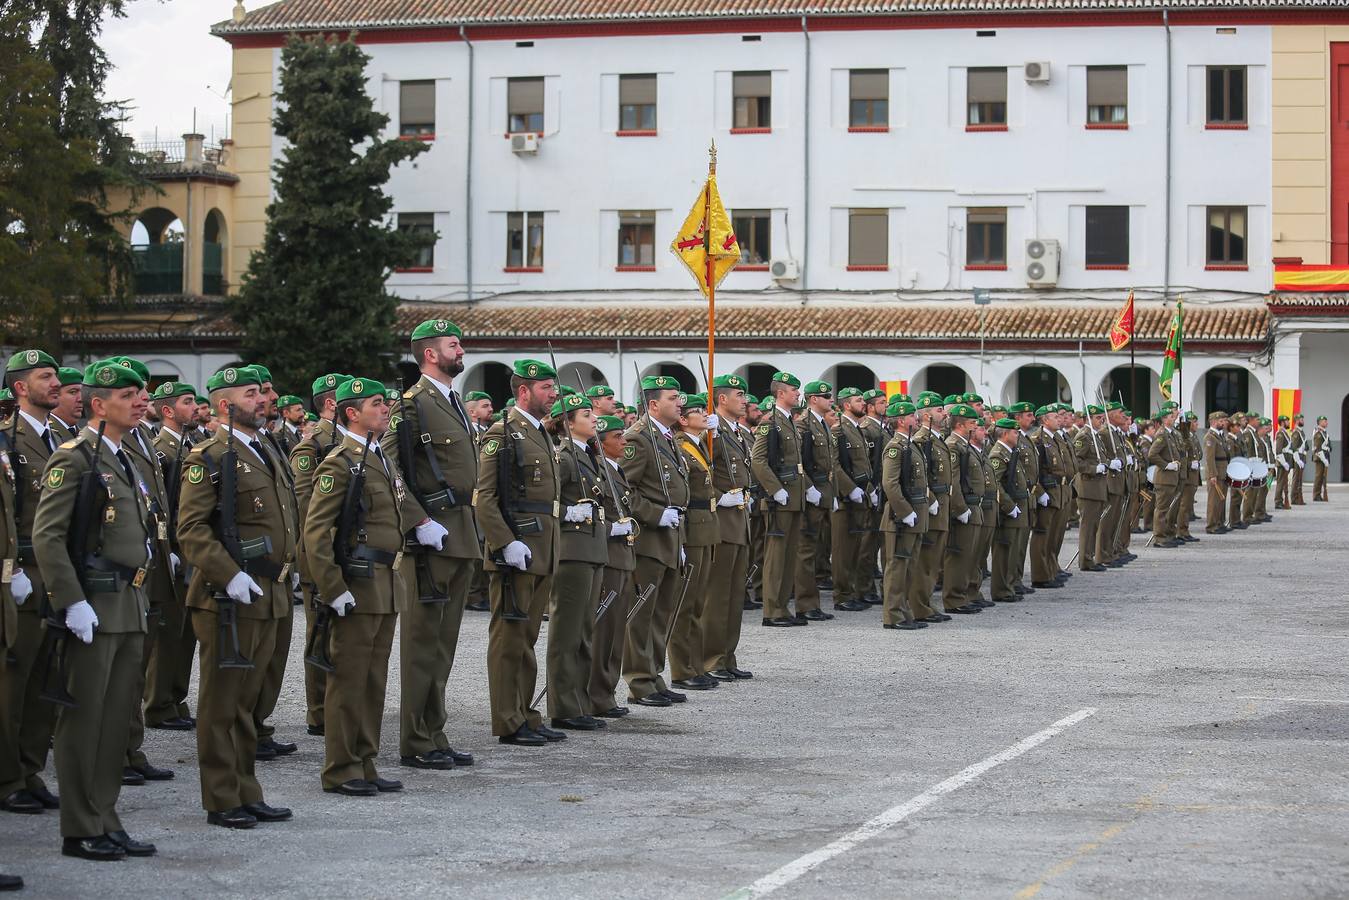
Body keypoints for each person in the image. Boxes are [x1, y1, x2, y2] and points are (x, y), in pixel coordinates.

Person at [32, 361, 156, 860]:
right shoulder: (75, 459)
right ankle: (80, 825)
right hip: (94, 605)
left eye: (141, 393)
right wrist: (72, 602)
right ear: (99, 404)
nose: (139, 401)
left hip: (128, 603)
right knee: (84, 719)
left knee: (113, 721)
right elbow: (48, 536)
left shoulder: (122, 456)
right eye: (128, 394)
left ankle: (105, 815)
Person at [177, 365, 298, 828]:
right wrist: (227, 575)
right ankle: (222, 796)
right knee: (223, 703)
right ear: (226, 404)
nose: (263, 399)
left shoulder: (265, 448)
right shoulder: (208, 456)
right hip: (228, 597)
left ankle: (247, 789)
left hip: (269, 591)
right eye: (251, 394)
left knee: (248, 703)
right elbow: (191, 529)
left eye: (263, 392)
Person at [304, 377, 408, 794]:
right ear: (352, 412)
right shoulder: (339, 462)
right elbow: (316, 533)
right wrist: (332, 587)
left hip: (384, 582)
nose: (386, 409)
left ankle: (365, 761)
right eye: (377, 404)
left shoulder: (379, 456)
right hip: (357, 583)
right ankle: (340, 767)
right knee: (348, 681)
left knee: (373, 681)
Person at [383, 320, 479, 770]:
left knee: (445, 645)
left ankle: (435, 733)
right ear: (430, 355)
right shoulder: (412, 405)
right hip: (431, 537)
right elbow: (390, 467)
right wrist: (415, 520)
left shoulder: (453, 402)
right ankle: (415, 740)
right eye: (452, 344)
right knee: (423, 645)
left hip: (461, 531)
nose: (461, 349)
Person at [474, 360, 564, 745]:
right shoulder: (502, 434)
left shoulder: (539, 433)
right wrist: (504, 541)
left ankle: (525, 712)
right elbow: (485, 498)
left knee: (526, 638)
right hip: (519, 547)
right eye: (546, 387)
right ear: (524, 391)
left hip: (543, 546)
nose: (554, 393)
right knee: (509, 638)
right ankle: (507, 720)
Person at [0, 350, 61, 816]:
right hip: (23, 572)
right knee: (14, 683)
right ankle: (8, 778)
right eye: (45, 376)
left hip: (56, 572)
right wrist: (13, 571)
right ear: (21, 387)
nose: (55, 382)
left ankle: (31, 767)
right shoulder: (10, 438)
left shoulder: (61, 436)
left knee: (45, 679)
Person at [621, 375, 692, 703]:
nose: (680, 403)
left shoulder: (666, 436)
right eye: (673, 397)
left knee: (663, 611)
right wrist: (653, 514)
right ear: (653, 404)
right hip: (649, 538)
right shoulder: (638, 438)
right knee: (643, 613)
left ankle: (653, 674)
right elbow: (623, 490)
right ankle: (638, 680)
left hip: (671, 535)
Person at [545, 392, 611, 728]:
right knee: (566, 634)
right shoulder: (564, 457)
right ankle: (564, 707)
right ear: (568, 422)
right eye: (586, 414)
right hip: (573, 550)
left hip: (592, 549)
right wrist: (568, 513)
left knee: (585, 631)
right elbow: (549, 503)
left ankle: (580, 701)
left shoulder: (588, 455)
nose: (594, 417)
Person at [289, 372, 347, 737]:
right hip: (320, 552)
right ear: (331, 404)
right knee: (321, 630)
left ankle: (338, 703)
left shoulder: (346, 441)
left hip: (346, 551)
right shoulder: (313, 445)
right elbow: (308, 507)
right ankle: (319, 710)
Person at [145, 381, 201, 732]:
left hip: (190, 549)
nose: (195, 407)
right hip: (173, 551)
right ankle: (157, 703)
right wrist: (168, 550)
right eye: (187, 402)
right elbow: (159, 505)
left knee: (185, 632)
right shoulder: (160, 450)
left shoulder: (191, 444)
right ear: (168, 411)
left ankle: (176, 697)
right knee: (167, 634)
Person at [587, 415, 637, 718]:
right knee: (603, 631)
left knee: (616, 630)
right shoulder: (600, 472)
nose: (624, 441)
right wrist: (610, 530)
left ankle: (606, 692)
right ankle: (597, 694)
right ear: (601, 442)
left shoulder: (616, 470)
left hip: (624, 555)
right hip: (608, 555)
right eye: (617, 436)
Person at [702, 375, 752, 679]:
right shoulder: (713, 430)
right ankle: (711, 660)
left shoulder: (735, 431)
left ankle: (726, 657)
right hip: (722, 522)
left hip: (739, 521)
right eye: (738, 394)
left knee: (734, 597)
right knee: (717, 597)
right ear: (722, 399)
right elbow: (699, 472)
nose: (744, 399)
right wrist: (720, 499)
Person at [751, 373, 806, 628]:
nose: (798, 393)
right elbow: (758, 460)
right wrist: (774, 489)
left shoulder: (789, 422)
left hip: (793, 498)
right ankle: (772, 610)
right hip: (779, 500)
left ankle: (782, 607)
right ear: (781, 393)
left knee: (789, 556)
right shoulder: (769, 422)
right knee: (776, 557)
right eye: (794, 390)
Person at [879, 401, 928, 630]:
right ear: (901, 420)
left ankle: (904, 611)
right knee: (897, 567)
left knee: (909, 566)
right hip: (901, 516)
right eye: (912, 416)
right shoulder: (895, 447)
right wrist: (905, 512)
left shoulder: (910, 444)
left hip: (916, 513)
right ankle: (893, 616)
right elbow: (890, 484)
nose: (917, 420)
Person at [908, 394, 951, 623]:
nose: (944, 414)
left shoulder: (937, 438)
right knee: (925, 560)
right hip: (932, 505)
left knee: (934, 560)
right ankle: (918, 606)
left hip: (943, 505)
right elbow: (920, 477)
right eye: (939, 410)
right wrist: (931, 498)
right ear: (927, 415)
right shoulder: (922, 440)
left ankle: (926, 603)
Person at [941, 403, 985, 612]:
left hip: (973, 505)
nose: (975, 426)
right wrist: (959, 508)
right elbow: (953, 481)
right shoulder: (953, 445)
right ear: (960, 425)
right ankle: (954, 599)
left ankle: (964, 595)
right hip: (964, 507)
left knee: (970, 555)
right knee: (958, 556)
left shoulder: (964, 444)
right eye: (971, 423)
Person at [988, 417, 1030, 601]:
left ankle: (1009, 585)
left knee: (1013, 550)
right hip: (1008, 510)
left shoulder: (1010, 452)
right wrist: (1009, 506)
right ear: (1005, 434)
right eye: (1015, 432)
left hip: (1018, 505)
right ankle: (1001, 589)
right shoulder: (998, 454)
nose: (1018, 434)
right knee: (1004, 551)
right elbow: (995, 484)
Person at [1203, 411, 1231, 534]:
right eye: (1220, 421)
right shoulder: (1210, 436)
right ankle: (1211, 526)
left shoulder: (1220, 435)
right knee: (1213, 501)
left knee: (1221, 500)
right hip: (1216, 473)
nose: (1223, 423)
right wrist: (1212, 475)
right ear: (1213, 422)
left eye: (1224, 421)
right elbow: (1209, 458)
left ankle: (1219, 522)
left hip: (1223, 472)